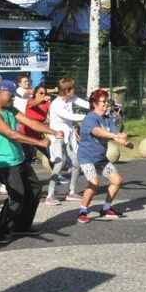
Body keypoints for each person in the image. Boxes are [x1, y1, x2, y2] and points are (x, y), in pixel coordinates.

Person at [0, 80, 63, 244]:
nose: (12, 99)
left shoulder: (10, 109)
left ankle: (21, 226)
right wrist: (39, 143)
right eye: (10, 96)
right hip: (4, 162)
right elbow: (11, 134)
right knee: (17, 196)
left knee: (34, 190)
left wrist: (53, 131)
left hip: (19, 159)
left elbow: (30, 122)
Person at [76, 89, 133, 224]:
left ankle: (106, 208)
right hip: (86, 157)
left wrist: (125, 142)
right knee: (94, 183)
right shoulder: (90, 117)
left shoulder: (108, 119)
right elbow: (97, 132)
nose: (106, 104)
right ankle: (82, 211)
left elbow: (116, 134)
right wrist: (115, 136)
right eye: (103, 101)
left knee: (117, 180)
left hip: (100, 158)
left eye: (107, 101)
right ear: (94, 103)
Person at [46, 77, 89, 205]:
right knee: (60, 162)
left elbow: (86, 104)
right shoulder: (56, 104)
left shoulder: (72, 98)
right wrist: (89, 116)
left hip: (68, 136)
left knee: (76, 163)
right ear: (66, 91)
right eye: (72, 88)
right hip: (56, 137)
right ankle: (50, 195)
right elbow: (70, 116)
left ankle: (71, 192)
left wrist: (98, 106)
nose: (74, 90)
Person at [21, 84, 51, 164]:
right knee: (28, 157)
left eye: (45, 93)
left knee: (48, 156)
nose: (43, 95)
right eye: (41, 93)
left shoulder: (46, 103)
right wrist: (41, 99)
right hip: (26, 133)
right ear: (35, 93)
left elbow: (52, 114)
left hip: (38, 134)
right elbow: (33, 104)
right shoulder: (30, 100)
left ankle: (54, 175)